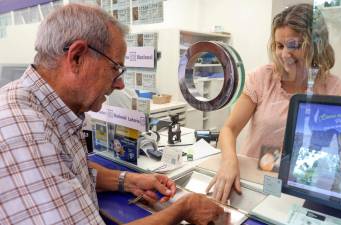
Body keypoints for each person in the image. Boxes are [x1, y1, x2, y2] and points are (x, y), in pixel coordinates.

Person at [0, 4, 223, 225]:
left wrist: (130, 181)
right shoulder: (23, 129)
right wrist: (182, 210)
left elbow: (71, 171)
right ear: (77, 57)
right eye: (116, 68)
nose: (119, 84)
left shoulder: (47, 108)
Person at [206, 3, 341, 203]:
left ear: (315, 45)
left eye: (294, 45)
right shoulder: (262, 78)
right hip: (255, 182)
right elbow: (229, 129)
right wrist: (229, 161)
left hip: (303, 188)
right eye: (280, 45)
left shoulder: (336, 91)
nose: (285, 54)